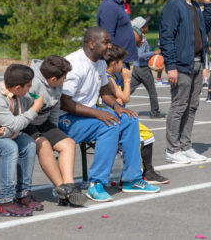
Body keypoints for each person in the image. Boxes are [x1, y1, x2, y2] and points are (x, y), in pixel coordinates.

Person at [58, 26, 160, 203]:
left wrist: (116, 106)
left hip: (87, 114)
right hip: (67, 119)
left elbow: (104, 90)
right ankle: (96, 184)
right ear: (91, 43)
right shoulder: (74, 64)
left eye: (109, 42)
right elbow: (64, 103)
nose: (110, 46)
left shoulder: (99, 62)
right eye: (105, 42)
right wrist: (98, 113)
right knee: (109, 124)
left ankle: (131, 179)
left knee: (129, 119)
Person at [160, 0, 211, 164]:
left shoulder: (194, 5)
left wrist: (207, 6)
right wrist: (171, 65)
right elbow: (166, 38)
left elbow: (205, 29)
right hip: (181, 66)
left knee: (192, 106)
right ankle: (173, 149)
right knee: (179, 106)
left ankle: (185, 146)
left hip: (197, 63)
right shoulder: (174, 6)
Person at [0, 64, 44, 217]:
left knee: (29, 144)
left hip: (2, 128)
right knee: (9, 148)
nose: (29, 90)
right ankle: (6, 201)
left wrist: (37, 102)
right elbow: (15, 124)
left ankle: (23, 194)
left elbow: (11, 126)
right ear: (17, 88)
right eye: (28, 86)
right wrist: (35, 109)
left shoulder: (16, 92)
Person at [102, 45, 170, 184]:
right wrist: (127, 79)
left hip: (114, 115)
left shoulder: (110, 75)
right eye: (122, 62)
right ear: (114, 63)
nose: (124, 65)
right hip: (113, 117)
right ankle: (147, 172)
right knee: (147, 137)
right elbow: (125, 98)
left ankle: (142, 171)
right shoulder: (108, 78)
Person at [27, 56, 88, 207]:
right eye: (64, 78)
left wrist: (55, 131)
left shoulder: (56, 84)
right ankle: (62, 189)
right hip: (25, 123)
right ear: (53, 79)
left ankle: (69, 185)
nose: (65, 80)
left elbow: (55, 108)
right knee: (44, 145)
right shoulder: (32, 85)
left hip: (43, 121)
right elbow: (20, 112)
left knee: (68, 143)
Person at [97, 0, 138, 68]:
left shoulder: (118, 4)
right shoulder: (109, 6)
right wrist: (116, 63)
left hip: (122, 61)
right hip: (116, 63)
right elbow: (108, 39)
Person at [130, 16, 166, 118]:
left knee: (129, 90)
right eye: (146, 25)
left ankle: (116, 103)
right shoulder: (141, 39)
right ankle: (155, 113)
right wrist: (154, 53)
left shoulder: (137, 37)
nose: (148, 26)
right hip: (142, 69)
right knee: (152, 91)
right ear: (141, 28)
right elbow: (141, 55)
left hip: (136, 68)